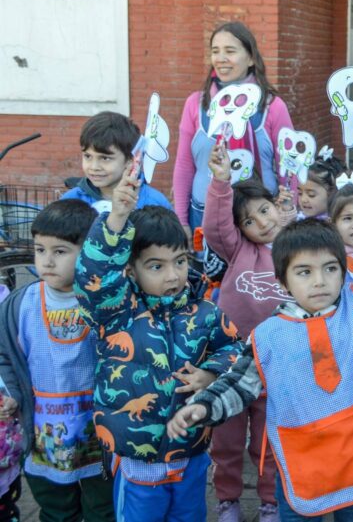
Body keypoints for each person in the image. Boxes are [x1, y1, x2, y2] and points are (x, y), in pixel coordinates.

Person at [168, 161, 353, 521]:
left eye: (330, 268)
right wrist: (204, 407)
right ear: (282, 282)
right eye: (304, 272)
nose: (320, 281)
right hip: (301, 461)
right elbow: (240, 384)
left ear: (343, 271)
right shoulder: (268, 335)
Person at [74, 166, 242, 521]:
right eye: (156, 266)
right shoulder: (116, 312)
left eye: (180, 262)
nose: (173, 275)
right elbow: (93, 277)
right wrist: (117, 216)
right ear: (131, 270)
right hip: (137, 462)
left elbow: (235, 350)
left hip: (192, 454)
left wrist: (211, 374)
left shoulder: (207, 312)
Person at [0, 200, 113, 521]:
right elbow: (5, 355)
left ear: (88, 252)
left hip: (97, 432)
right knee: (55, 508)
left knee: (101, 508)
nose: (47, 261)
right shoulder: (21, 304)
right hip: (43, 433)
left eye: (60, 251)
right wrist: (10, 394)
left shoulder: (103, 302)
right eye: (40, 250)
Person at [203, 141, 293, 522]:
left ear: (277, 204)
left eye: (264, 209)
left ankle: (270, 502)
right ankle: (227, 500)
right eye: (249, 220)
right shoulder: (237, 249)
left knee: (268, 442)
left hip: (277, 362)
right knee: (225, 438)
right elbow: (215, 225)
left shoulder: (295, 247)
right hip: (232, 360)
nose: (261, 222)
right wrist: (220, 183)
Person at [173, 21, 293, 234]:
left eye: (230, 51)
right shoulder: (195, 104)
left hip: (260, 219)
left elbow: (289, 167)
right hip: (204, 216)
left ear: (251, 58)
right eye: (215, 51)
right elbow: (184, 165)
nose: (221, 59)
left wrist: (286, 211)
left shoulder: (272, 106)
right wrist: (181, 220)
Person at [62, 111, 172, 213]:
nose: (94, 167)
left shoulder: (154, 203)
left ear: (130, 160)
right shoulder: (70, 201)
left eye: (105, 158)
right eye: (87, 156)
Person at [297, 153, 345, 220]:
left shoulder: (337, 224)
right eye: (300, 193)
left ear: (331, 192)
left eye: (311, 195)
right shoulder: (297, 220)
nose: (303, 199)